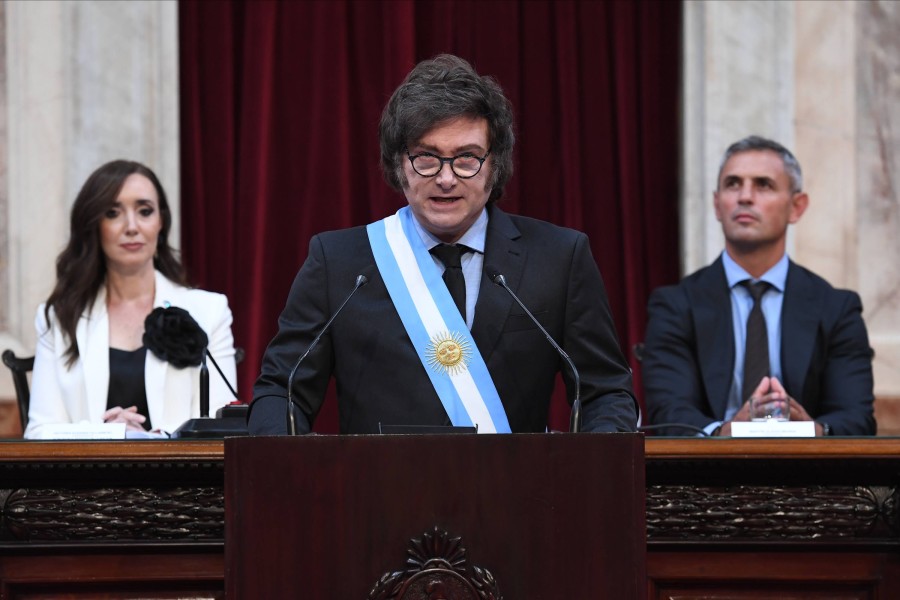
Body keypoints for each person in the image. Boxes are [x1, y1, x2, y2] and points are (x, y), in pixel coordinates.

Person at [249, 54, 637, 435]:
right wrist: (295, 463)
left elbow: (605, 393)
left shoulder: (558, 258)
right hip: (376, 480)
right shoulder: (338, 263)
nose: (446, 179)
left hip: (515, 480)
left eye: (467, 158)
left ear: (495, 165)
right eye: (426, 158)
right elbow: (281, 392)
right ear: (399, 164)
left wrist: (595, 461)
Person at [642, 136, 875, 437]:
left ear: (796, 207)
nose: (745, 197)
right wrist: (724, 432)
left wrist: (813, 431)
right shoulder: (675, 306)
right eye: (733, 184)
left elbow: (856, 418)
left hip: (808, 464)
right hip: (708, 465)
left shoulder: (836, 309)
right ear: (716, 204)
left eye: (763, 185)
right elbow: (669, 412)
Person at [25, 160, 237, 439]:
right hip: (86, 468)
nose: (132, 226)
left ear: (161, 222)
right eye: (113, 213)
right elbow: (38, 432)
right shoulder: (60, 317)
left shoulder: (208, 311)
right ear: (94, 225)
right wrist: (108, 433)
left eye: (145, 211)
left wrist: (150, 440)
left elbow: (222, 429)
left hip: (181, 468)